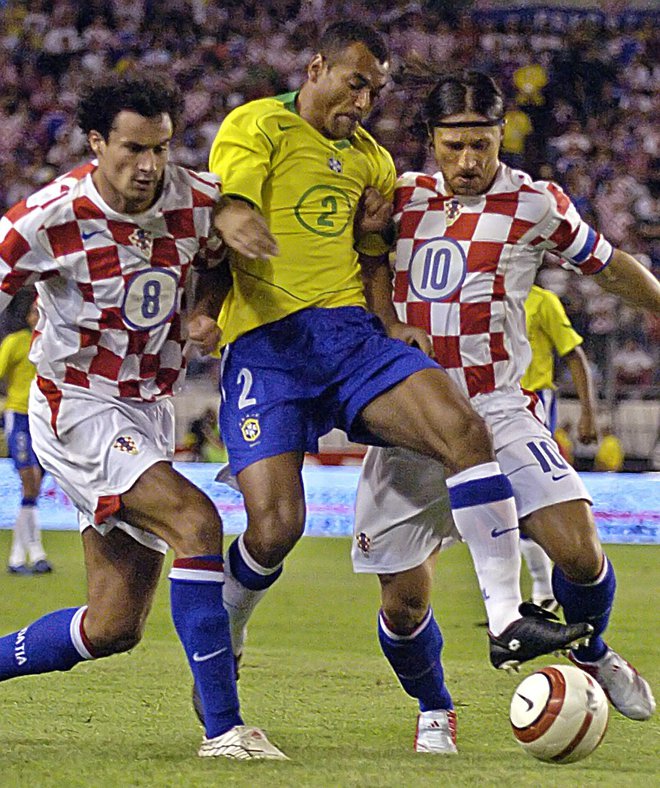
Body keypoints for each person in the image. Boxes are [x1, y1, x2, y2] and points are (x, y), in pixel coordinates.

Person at [201, 23, 591, 751]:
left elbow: (375, 250)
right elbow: (232, 204)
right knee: (276, 528)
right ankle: (229, 627)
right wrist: (225, 234)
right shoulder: (256, 124)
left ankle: (506, 617)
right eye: (355, 83)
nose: (365, 100)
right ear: (315, 66)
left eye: (376, 90)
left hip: (352, 339)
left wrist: (386, 314)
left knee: (463, 427)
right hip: (269, 347)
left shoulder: (374, 163)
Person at [351, 70, 657, 752]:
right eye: (454, 146)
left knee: (579, 554)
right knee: (402, 607)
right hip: (410, 415)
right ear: (430, 140)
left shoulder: (534, 202)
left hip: (498, 406)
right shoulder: (398, 199)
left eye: (482, 146)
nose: (468, 162)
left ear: (501, 139)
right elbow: (361, 267)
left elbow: (607, 265)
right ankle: (435, 706)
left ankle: (591, 651)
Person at [0, 75, 286, 760]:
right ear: (97, 143)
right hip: (78, 405)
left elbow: (216, 261)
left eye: (160, 148)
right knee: (197, 521)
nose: (149, 166)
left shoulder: (198, 200)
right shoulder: (46, 219)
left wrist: (206, 311)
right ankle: (224, 730)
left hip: (148, 408)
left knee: (113, 625)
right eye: (132, 149)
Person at [519, 282, 599, 611]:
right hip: (490, 404)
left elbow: (573, 353)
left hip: (532, 403)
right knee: (506, 501)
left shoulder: (541, 301)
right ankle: (528, 592)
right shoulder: (482, 296)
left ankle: (543, 587)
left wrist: (588, 412)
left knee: (525, 495)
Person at [0, 294, 52, 575]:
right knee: (29, 484)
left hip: (42, 419)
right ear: (29, 316)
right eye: (35, 311)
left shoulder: (52, 344)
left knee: (32, 490)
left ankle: (19, 558)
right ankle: (34, 553)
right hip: (19, 415)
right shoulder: (16, 342)